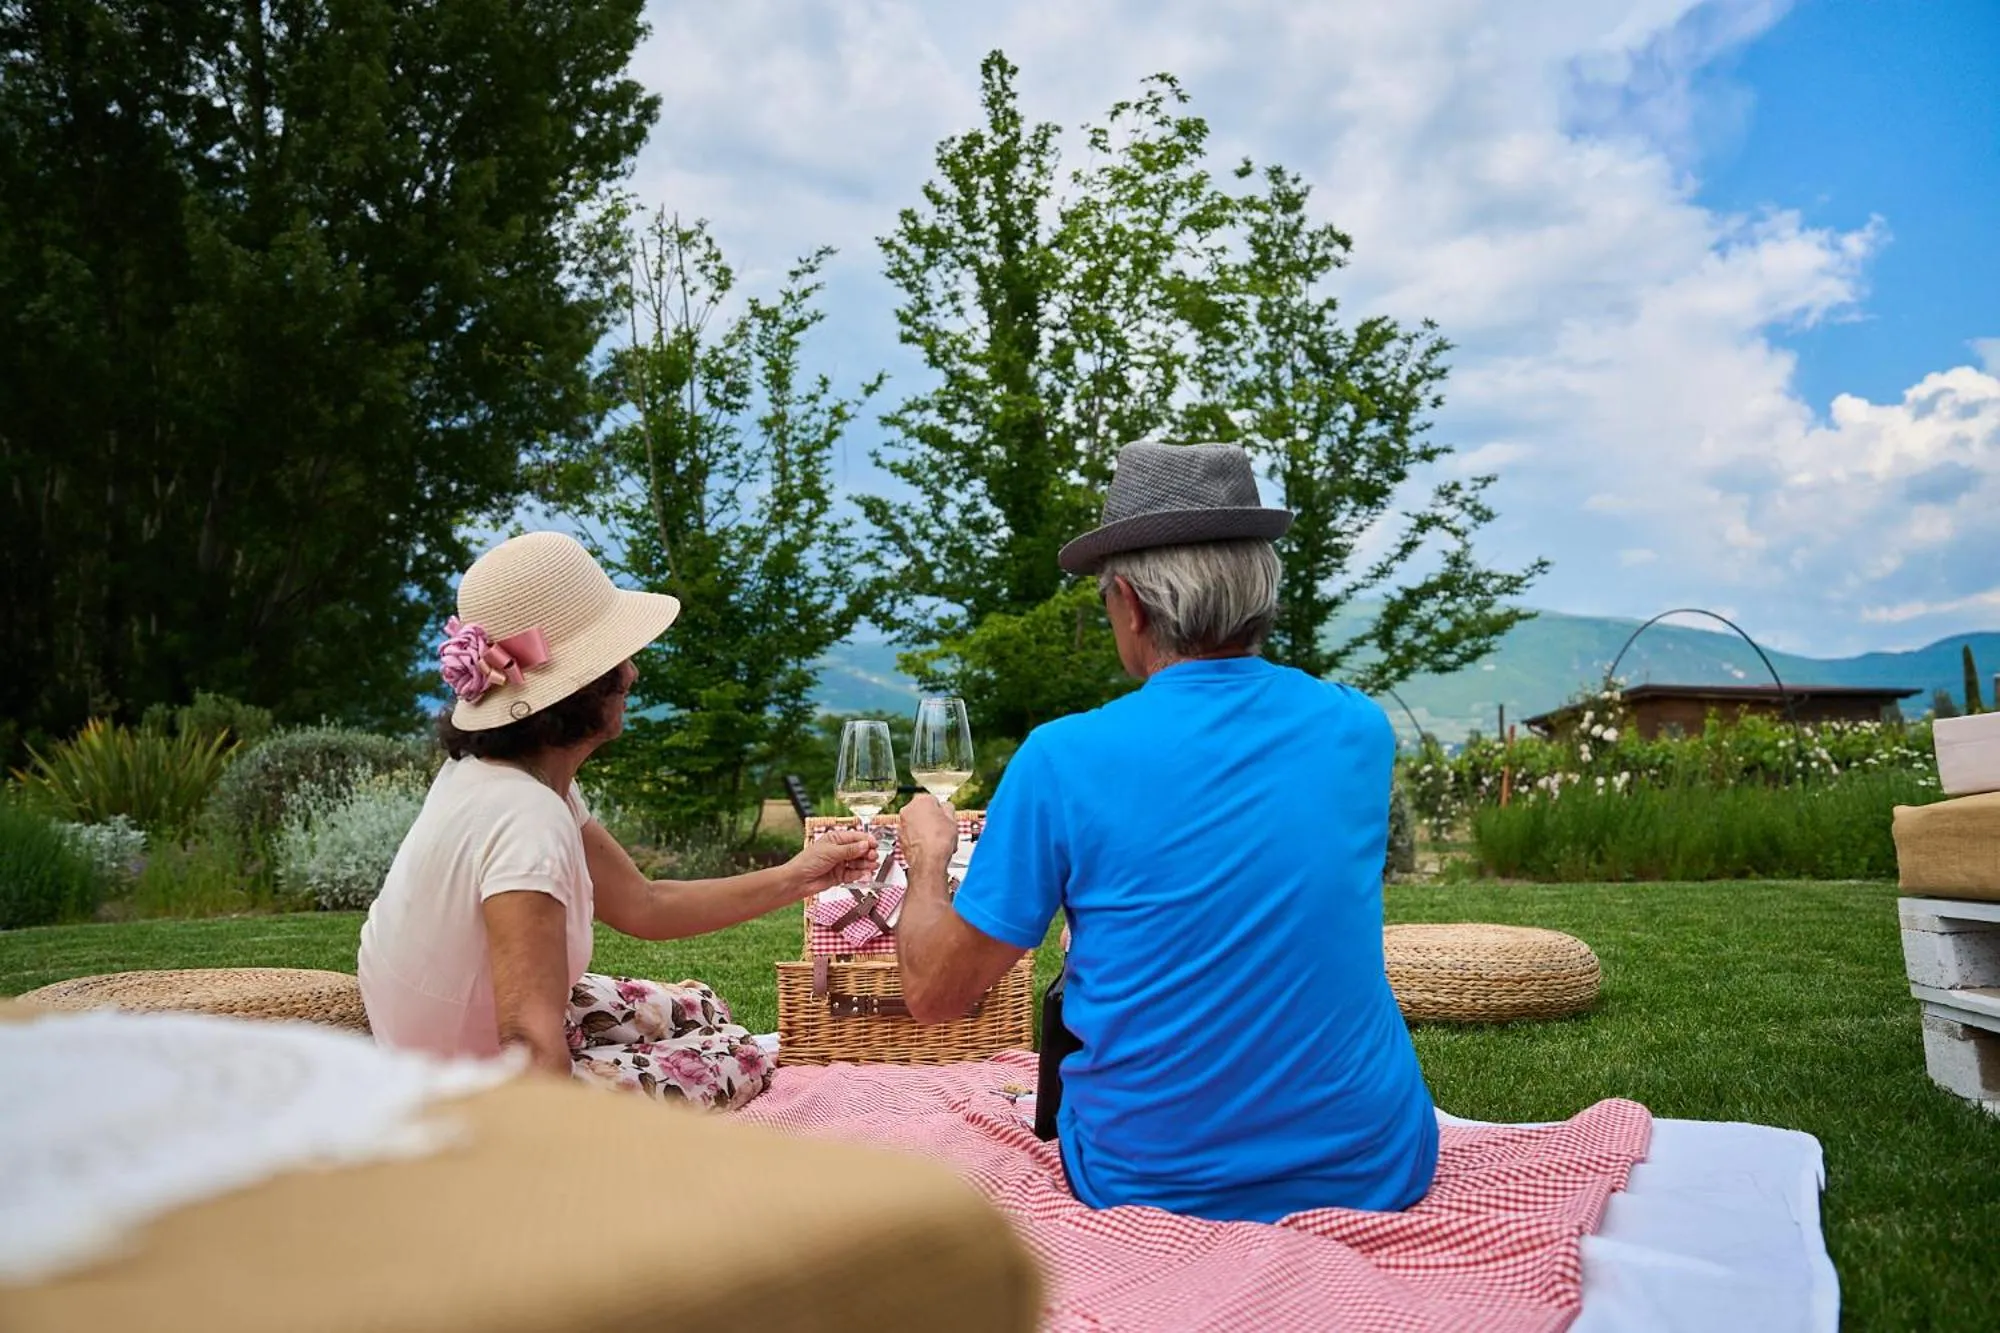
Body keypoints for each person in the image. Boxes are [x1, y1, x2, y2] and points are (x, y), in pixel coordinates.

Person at [894, 441, 1439, 1222]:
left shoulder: (1063, 758)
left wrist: (926, 860)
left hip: (1150, 1182)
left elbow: (937, 994)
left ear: (1133, 604)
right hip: (1375, 1164)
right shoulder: (1359, 728)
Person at [358, 531, 875, 1107]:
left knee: (698, 1009)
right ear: (583, 688)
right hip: (475, 1091)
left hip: (456, 1037)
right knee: (738, 1055)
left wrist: (804, 875)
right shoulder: (527, 818)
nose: (632, 673)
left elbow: (643, 904)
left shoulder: (517, 777)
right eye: (618, 657)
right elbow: (528, 1044)